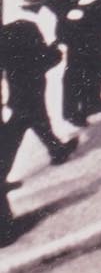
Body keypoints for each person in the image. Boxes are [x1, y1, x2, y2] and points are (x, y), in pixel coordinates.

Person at [0, 15, 74, 176]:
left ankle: (56, 149)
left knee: (36, 118)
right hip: (28, 85)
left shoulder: (17, 32)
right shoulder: (22, 30)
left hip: (24, 86)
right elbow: (44, 59)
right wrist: (55, 52)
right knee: (23, 124)